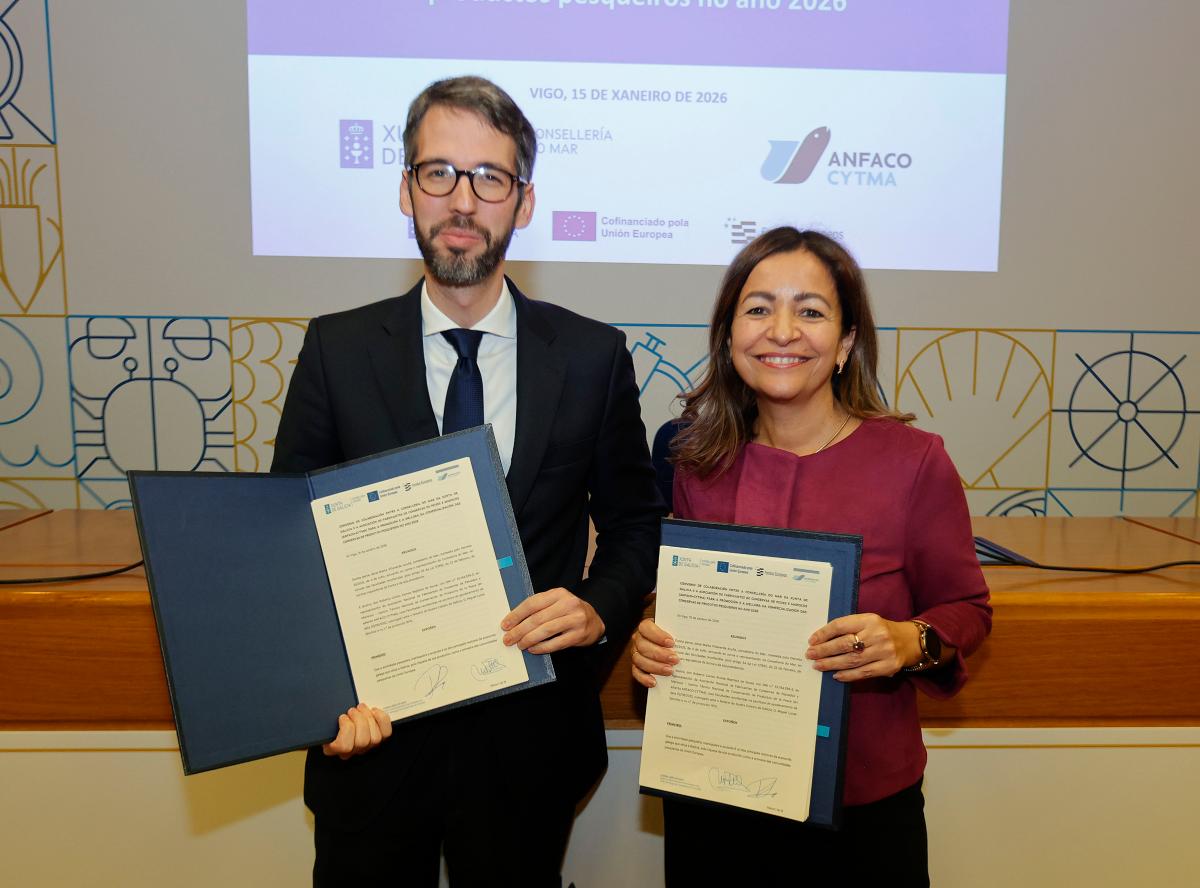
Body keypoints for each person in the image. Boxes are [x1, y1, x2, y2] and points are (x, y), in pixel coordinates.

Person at [272, 76, 663, 887]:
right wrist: (320, 699)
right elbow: (287, 541)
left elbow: (636, 524)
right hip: (372, 743)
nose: (462, 200)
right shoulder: (337, 351)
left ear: (523, 201)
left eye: (490, 177)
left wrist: (597, 609)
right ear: (406, 190)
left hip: (530, 747)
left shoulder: (592, 356)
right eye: (438, 172)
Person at [631, 227, 991, 887]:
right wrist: (651, 638)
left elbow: (967, 608)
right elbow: (676, 602)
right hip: (711, 792)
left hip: (860, 809)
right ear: (729, 334)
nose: (782, 331)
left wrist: (908, 640)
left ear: (846, 342)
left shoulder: (913, 463)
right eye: (759, 308)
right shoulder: (693, 459)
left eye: (811, 311)